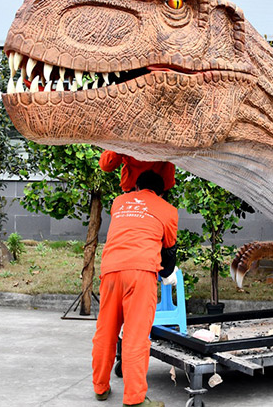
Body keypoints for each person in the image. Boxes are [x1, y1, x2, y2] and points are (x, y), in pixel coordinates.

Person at [92, 170, 179, 407]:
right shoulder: (168, 210)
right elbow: (169, 251)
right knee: (136, 336)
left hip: (110, 270)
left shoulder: (119, 203)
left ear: (137, 187)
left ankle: (100, 388)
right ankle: (134, 399)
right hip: (140, 273)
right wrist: (166, 273)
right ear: (162, 192)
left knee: (106, 330)